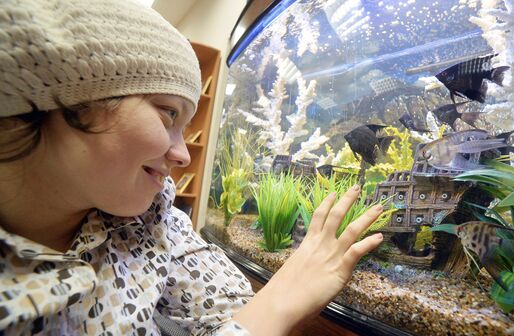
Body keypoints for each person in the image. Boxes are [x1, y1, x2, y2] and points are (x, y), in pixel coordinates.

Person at [0, 0, 384, 335]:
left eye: (186, 127)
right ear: (72, 94)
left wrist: (293, 286)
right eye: (169, 113)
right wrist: (285, 298)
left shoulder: (151, 217)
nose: (183, 155)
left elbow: (224, 310)